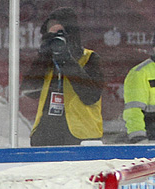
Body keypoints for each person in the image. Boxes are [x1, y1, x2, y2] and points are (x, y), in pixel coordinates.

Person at [22, 7, 104, 146]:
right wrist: (43, 56)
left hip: (80, 136)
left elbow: (91, 96)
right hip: (46, 134)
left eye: (60, 33)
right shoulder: (46, 61)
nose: (56, 39)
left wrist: (66, 59)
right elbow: (29, 91)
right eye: (51, 34)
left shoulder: (89, 58)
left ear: (71, 34)